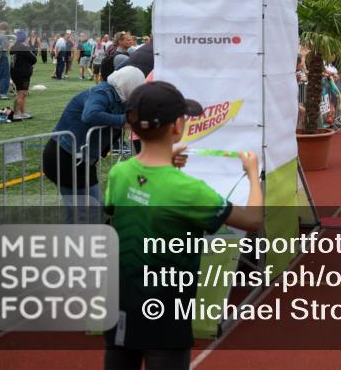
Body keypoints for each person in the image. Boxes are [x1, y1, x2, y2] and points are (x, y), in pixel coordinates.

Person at [104, 80, 263, 370]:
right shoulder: (189, 190)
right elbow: (253, 220)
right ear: (177, 126)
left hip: (121, 303)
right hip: (165, 311)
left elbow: (127, 202)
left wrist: (165, 166)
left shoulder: (119, 172)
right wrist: (253, 173)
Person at [43, 66, 146, 222]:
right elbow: (90, 114)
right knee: (83, 213)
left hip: (81, 160)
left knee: (96, 209)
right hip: (64, 157)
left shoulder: (120, 97)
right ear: (128, 84)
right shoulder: (103, 92)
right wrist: (123, 121)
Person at [9, 30, 37, 120]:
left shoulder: (14, 47)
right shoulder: (23, 47)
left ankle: (23, 112)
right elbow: (33, 59)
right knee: (22, 93)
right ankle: (16, 113)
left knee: (22, 93)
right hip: (23, 74)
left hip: (15, 72)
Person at [0, 21, 13, 99]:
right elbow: (5, 48)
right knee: (4, 76)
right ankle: (3, 93)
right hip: (2, 57)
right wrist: (10, 44)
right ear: (6, 28)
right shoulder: (4, 36)